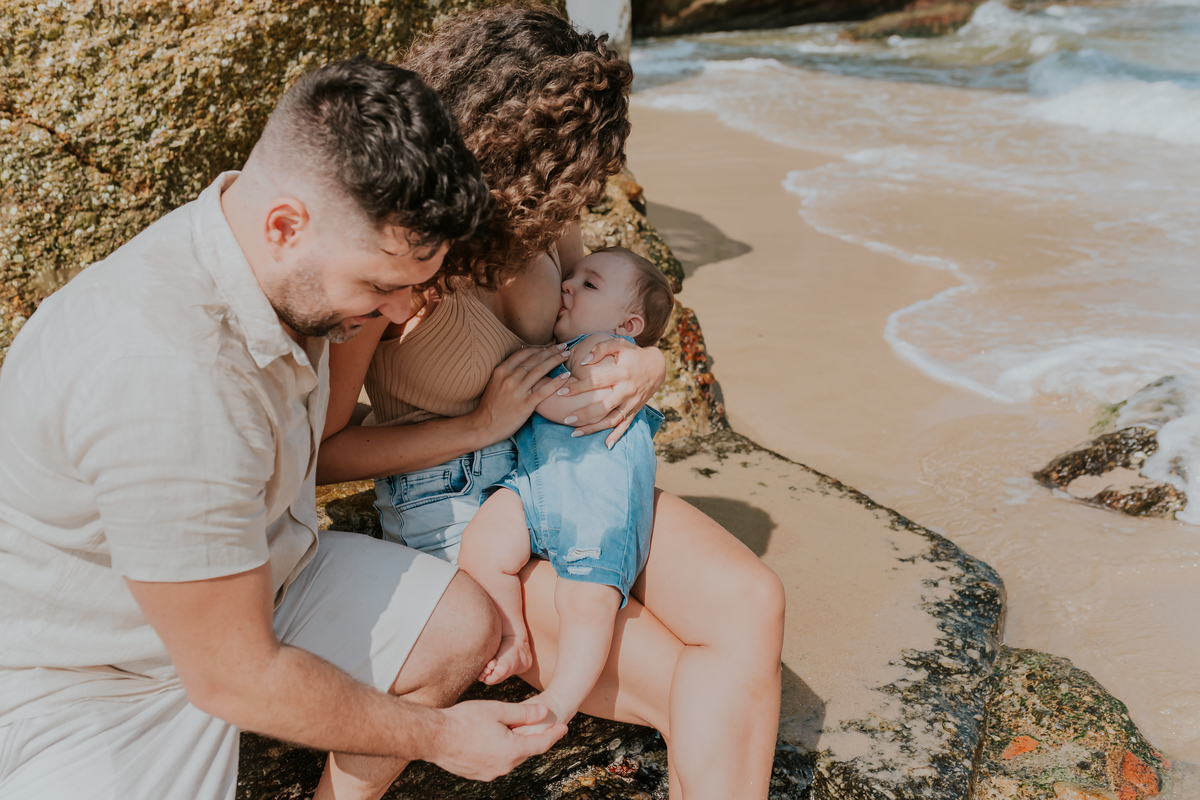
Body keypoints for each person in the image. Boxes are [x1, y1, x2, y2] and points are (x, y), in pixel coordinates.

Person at [0, 57, 567, 800]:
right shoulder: (170, 375)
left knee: (458, 625)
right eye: (381, 286)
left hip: (265, 570)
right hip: (94, 676)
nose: (400, 313)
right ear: (285, 226)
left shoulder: (267, 255)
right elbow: (234, 676)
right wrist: (443, 738)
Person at [318, 8, 787, 799]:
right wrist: (477, 425)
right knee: (690, 686)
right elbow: (321, 450)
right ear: (508, 142)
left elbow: (607, 308)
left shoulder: (543, 215)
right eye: (567, 169)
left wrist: (646, 361)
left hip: (567, 472)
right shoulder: (392, 245)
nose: (580, 193)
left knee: (752, 601)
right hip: (466, 519)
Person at [460, 247, 673, 734]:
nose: (568, 286)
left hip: (593, 508)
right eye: (571, 277)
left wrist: (520, 384)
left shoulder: (606, 353)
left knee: (585, 603)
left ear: (629, 325)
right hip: (535, 487)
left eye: (590, 285)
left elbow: (577, 406)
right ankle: (512, 633)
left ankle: (562, 700)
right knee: (482, 546)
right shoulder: (582, 345)